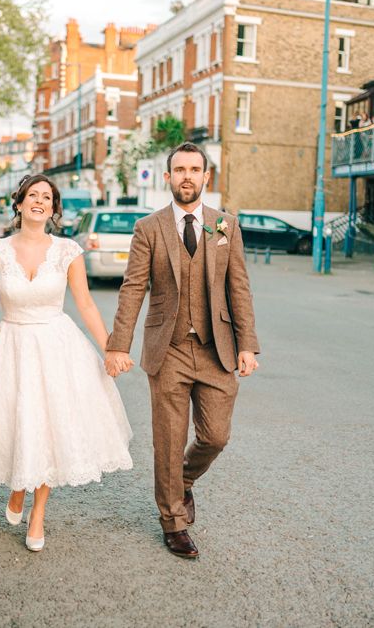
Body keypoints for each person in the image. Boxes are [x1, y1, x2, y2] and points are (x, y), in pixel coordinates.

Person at [0, 174, 133, 552]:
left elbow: (84, 303)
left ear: (53, 209)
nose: (39, 201)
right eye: (32, 195)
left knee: (50, 428)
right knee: (20, 421)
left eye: (46, 197)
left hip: (57, 346)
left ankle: (37, 514)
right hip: (13, 344)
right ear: (18, 204)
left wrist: (110, 349)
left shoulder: (68, 251)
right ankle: (17, 489)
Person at [104, 142, 260, 559]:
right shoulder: (148, 228)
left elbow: (238, 287)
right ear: (168, 177)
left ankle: (184, 480)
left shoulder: (225, 225)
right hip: (167, 349)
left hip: (216, 349)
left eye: (195, 169)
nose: (187, 176)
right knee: (169, 440)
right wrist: (118, 344)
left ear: (206, 177)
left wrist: (248, 344)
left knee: (216, 436)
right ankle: (173, 521)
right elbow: (133, 288)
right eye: (179, 169)